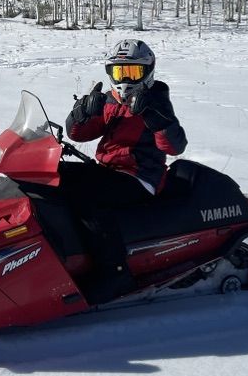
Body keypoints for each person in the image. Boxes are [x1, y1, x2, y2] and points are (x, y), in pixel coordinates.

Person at [63, 38, 188, 301]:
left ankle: (114, 272)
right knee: (56, 177)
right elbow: (79, 134)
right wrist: (82, 112)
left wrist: (153, 115)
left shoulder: (155, 101)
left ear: (147, 71)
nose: (126, 79)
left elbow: (175, 146)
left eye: (133, 71)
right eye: (120, 72)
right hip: (108, 170)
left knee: (89, 200)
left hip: (140, 177)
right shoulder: (111, 100)